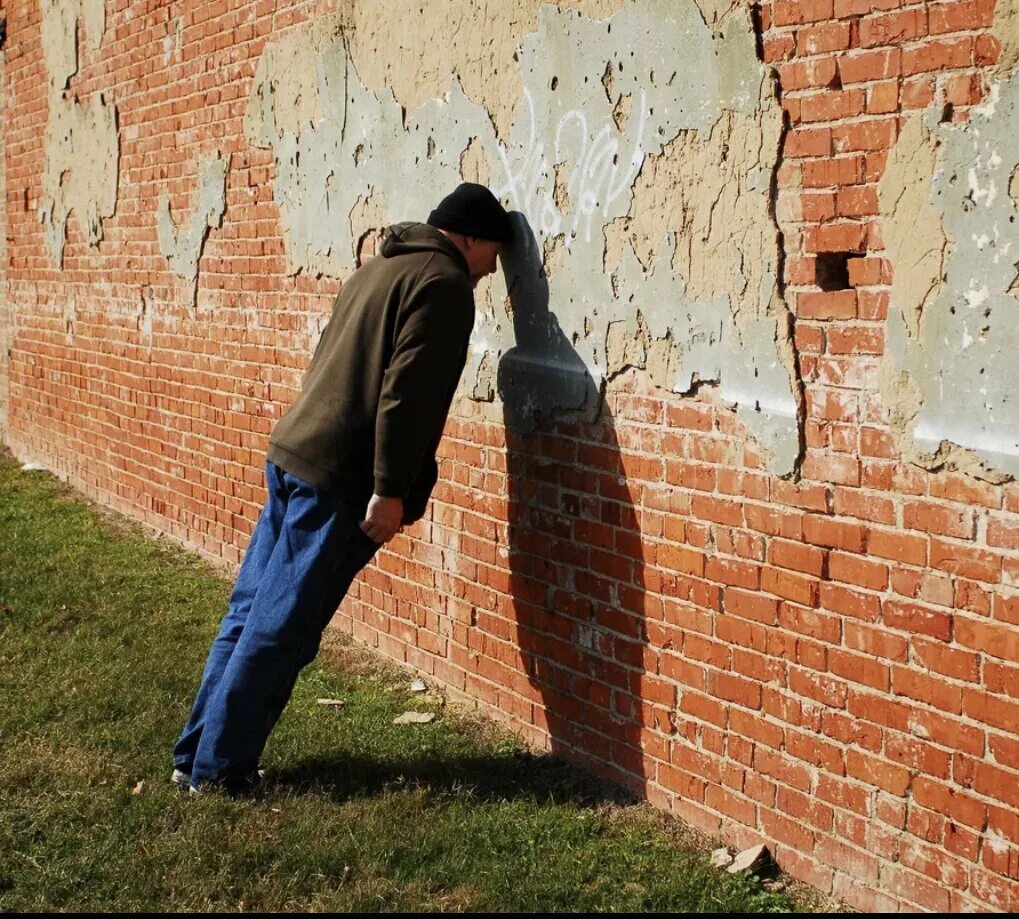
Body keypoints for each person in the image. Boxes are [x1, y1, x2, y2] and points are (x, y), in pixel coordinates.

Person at [171, 183, 514, 794]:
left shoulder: (376, 269)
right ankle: (220, 773)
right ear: (470, 238)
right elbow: (405, 396)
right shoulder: (444, 284)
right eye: (495, 252)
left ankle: (195, 757)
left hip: (293, 454)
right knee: (283, 626)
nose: (493, 269)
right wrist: (390, 490)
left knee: (249, 612)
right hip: (339, 477)